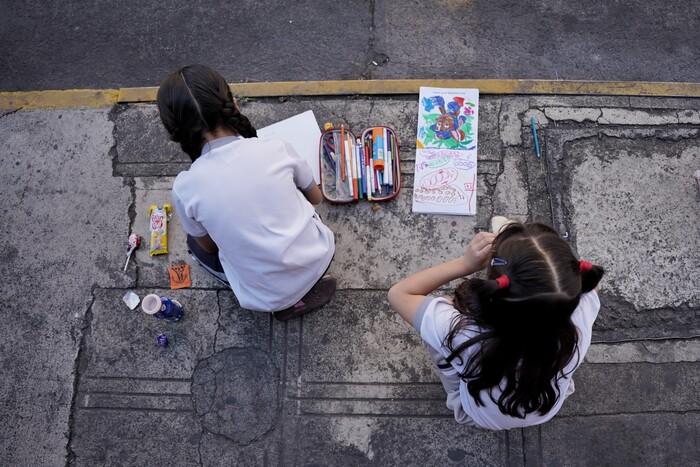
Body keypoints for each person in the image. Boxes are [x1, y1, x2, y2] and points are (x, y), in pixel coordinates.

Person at [156, 64, 336, 321]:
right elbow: (316, 198)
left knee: (193, 245)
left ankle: (284, 303)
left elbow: (208, 247)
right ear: (233, 104)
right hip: (319, 257)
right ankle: (298, 295)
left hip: (263, 296)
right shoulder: (277, 147)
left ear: (176, 133)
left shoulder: (185, 188)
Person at [388, 222, 604, 429]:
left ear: (496, 285)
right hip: (545, 408)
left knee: (442, 307)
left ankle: (456, 392)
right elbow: (593, 289)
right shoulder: (579, 324)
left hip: (479, 414)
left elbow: (399, 294)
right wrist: (555, 273)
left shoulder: (462, 334)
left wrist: (464, 264)